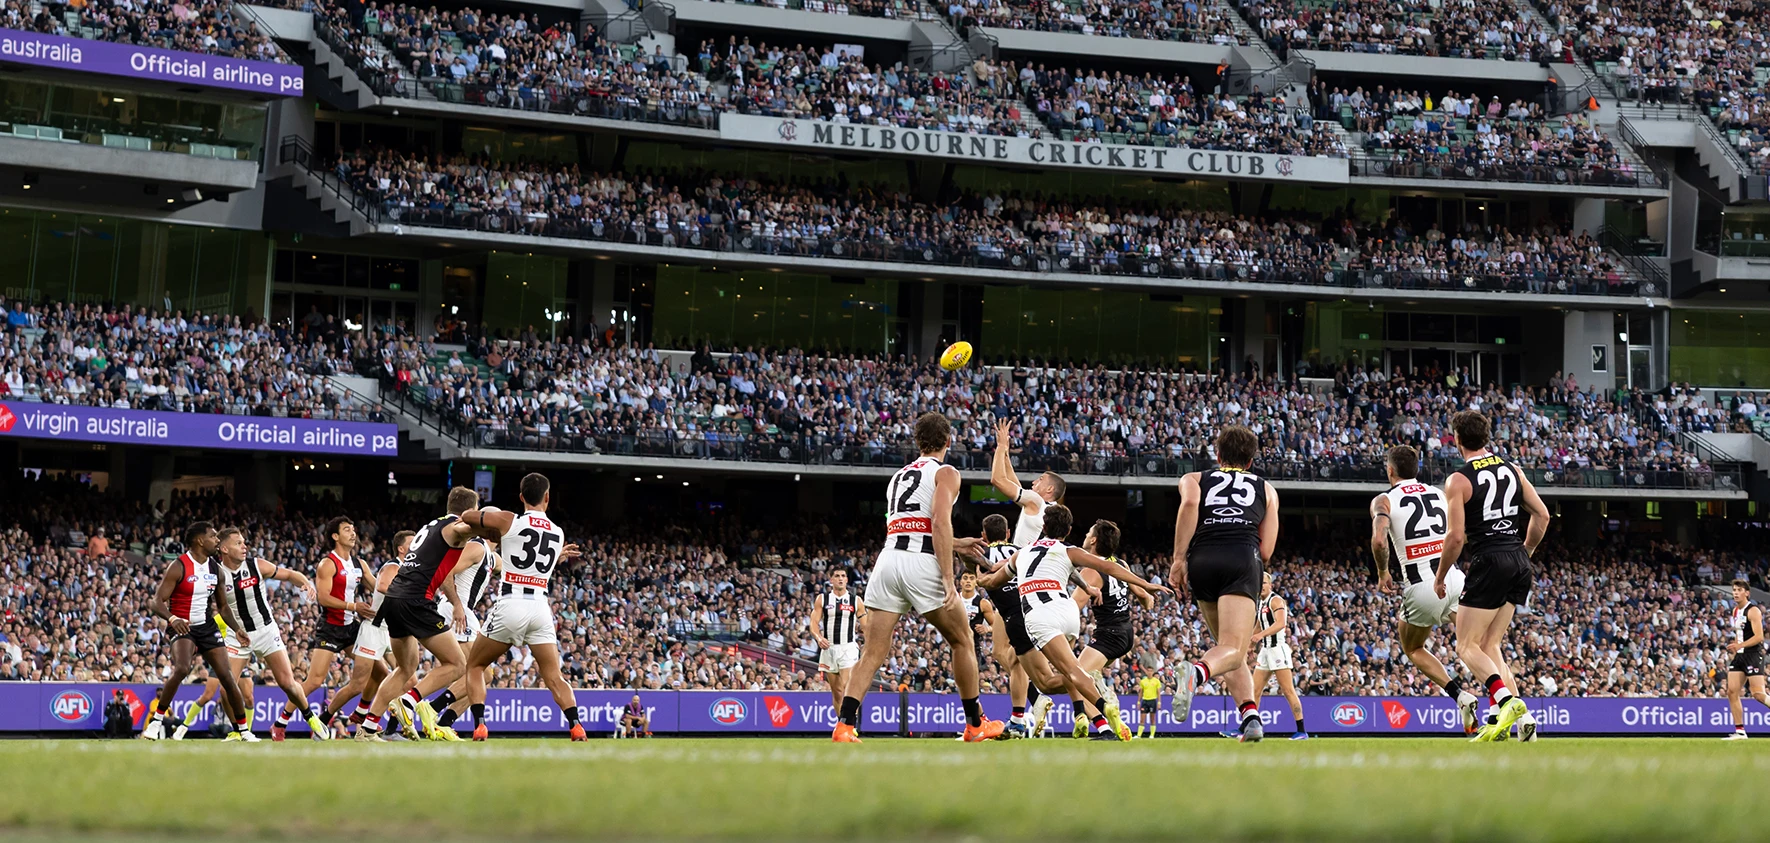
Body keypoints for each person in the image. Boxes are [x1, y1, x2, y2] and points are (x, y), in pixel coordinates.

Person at [831, 412, 1002, 743]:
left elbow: (911, 528)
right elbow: (938, 522)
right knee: (962, 640)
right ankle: (976, 725)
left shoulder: (899, 476)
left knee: (873, 651)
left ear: (917, 441)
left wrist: (956, 542)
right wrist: (949, 576)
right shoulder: (947, 472)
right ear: (948, 441)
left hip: (888, 561)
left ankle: (845, 725)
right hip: (922, 566)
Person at [982, 505, 1167, 741]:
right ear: (1069, 530)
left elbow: (996, 579)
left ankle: (1102, 710)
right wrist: (1147, 586)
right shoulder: (1076, 553)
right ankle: (1082, 714)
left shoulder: (1025, 551)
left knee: (1056, 680)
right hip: (1082, 619)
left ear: (1043, 527)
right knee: (1066, 669)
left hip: (1050, 617)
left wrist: (980, 579)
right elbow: (1111, 571)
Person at [1435, 410, 1551, 743]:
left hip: (1489, 559)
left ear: (1456, 440)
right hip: (1517, 558)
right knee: (1490, 644)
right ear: (1487, 437)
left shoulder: (1458, 480)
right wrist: (1525, 551)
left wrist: (1441, 576)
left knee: (1465, 645)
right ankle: (1524, 721)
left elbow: (1456, 538)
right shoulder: (1513, 470)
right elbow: (1541, 515)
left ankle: (1507, 701)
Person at [1168, 426, 1280, 743]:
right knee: (1232, 649)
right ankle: (1198, 673)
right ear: (1251, 459)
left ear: (1217, 455)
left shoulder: (1194, 479)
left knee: (1228, 649)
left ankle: (1251, 717)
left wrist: (1179, 558)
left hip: (1202, 559)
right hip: (1242, 558)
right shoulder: (1267, 489)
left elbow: (1189, 505)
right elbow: (1267, 549)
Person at [460, 473, 587, 741]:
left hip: (511, 602)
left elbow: (468, 517)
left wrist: (485, 518)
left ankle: (480, 724)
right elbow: (542, 565)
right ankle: (576, 725)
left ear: (521, 498)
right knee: (554, 676)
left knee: (474, 666)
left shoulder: (510, 520)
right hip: (540, 607)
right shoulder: (557, 532)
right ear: (547, 498)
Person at [354, 488, 480, 741]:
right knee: (457, 664)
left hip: (395, 601)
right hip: (415, 600)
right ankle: (409, 702)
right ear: (469, 511)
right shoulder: (455, 526)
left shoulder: (432, 526)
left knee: (404, 668)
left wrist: (455, 602)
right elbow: (470, 529)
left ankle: (367, 728)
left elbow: (443, 574)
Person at [1372, 445, 1482, 735]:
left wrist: (1383, 572)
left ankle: (1460, 695)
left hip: (1421, 586)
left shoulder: (1385, 499)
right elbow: (1462, 533)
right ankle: (1503, 701)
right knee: (1478, 645)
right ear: (1417, 470)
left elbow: (1379, 540)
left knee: (1413, 647)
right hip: (1454, 579)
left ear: (1390, 471)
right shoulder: (1439, 493)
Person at [213, 527, 331, 741]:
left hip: (266, 631)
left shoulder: (257, 566)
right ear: (223, 548)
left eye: (244, 542)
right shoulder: (217, 574)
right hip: (237, 635)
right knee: (225, 689)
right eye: (238, 543)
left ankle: (311, 717)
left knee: (287, 683)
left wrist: (306, 583)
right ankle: (238, 731)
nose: (244, 546)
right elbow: (217, 606)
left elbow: (289, 574)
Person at [143, 521, 254, 742]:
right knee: (182, 668)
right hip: (183, 625)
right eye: (213, 537)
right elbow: (156, 602)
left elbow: (222, 607)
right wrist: (173, 619)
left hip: (207, 627)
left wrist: (237, 629)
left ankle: (243, 731)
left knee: (227, 677)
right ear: (200, 541)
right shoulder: (179, 566)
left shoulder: (216, 568)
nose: (217, 540)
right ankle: (155, 723)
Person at [276, 517, 377, 741]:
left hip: (352, 629)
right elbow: (323, 598)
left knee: (379, 673)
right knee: (314, 681)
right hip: (330, 628)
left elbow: (379, 587)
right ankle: (280, 722)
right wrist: (354, 606)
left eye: (354, 529)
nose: (353, 533)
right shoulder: (328, 563)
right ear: (335, 536)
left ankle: (337, 717)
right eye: (347, 530)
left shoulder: (360, 564)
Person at [321, 530, 412, 736]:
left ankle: (384, 726)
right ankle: (323, 719)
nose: (417, 546)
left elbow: (378, 588)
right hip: (374, 628)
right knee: (357, 684)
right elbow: (381, 586)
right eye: (412, 543)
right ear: (401, 548)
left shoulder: (411, 570)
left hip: (392, 631)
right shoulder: (392, 566)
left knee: (407, 680)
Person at [1071, 520, 1150, 740]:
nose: (1086, 535)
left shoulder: (1091, 570)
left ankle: (1105, 724)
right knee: (1087, 675)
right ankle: (1103, 698)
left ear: (1094, 540)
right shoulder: (1120, 564)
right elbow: (1145, 596)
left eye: (1088, 532)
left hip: (1109, 635)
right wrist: (1144, 605)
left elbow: (1075, 604)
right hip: (1125, 633)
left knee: (1076, 679)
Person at [1248, 573, 1307, 740]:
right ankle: (1247, 726)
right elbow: (1259, 625)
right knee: (1255, 690)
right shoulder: (1261, 603)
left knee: (1288, 690)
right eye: (1260, 583)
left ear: (1271, 585)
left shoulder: (1276, 600)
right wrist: (1251, 645)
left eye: (1264, 583)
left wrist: (1259, 637)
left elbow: (1281, 623)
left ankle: (1301, 730)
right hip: (1265, 651)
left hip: (1277, 649)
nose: (1262, 586)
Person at [991, 417, 1065, 547]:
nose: (1034, 481)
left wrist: (1001, 446)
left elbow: (997, 480)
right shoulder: (1049, 508)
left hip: (1022, 563)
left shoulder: (1036, 500)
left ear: (1049, 489)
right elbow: (1016, 486)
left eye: (1040, 479)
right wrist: (1006, 455)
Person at [809, 569, 865, 714]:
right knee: (837, 692)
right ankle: (841, 725)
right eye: (837, 576)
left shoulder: (856, 600)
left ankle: (850, 725)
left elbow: (866, 625)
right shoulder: (822, 599)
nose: (840, 579)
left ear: (847, 580)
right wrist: (819, 637)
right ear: (831, 580)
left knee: (847, 688)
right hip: (829, 649)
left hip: (848, 647)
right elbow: (814, 623)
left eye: (843, 576)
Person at [1723, 579, 1770, 740]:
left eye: (1738, 590)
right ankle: (1740, 731)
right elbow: (1740, 633)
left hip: (1753, 654)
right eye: (1734, 590)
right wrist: (1737, 646)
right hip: (1740, 655)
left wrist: (1740, 645)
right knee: (1731, 691)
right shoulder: (1736, 611)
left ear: (1747, 593)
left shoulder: (1753, 610)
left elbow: (1759, 637)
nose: (1735, 593)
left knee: (1757, 694)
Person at [1134, 667, 1163, 738]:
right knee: (1142, 718)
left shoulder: (1156, 681)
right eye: (1148, 671)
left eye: (1151, 671)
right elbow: (1141, 692)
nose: (1149, 672)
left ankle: (1152, 735)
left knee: (1152, 718)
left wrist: (1159, 702)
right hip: (1145, 701)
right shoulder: (1143, 681)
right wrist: (1138, 701)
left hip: (1152, 700)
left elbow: (1158, 693)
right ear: (1146, 672)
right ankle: (1139, 735)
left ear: (1153, 672)